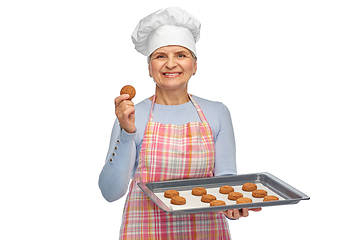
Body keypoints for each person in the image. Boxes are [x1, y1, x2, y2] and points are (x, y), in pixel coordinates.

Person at [98, 7, 261, 239]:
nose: (170, 64)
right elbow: (110, 192)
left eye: (181, 55)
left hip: (207, 232)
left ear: (194, 66)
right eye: (160, 56)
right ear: (149, 68)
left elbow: (225, 180)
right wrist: (127, 133)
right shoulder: (132, 115)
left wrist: (232, 206)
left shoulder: (217, 112)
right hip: (145, 231)